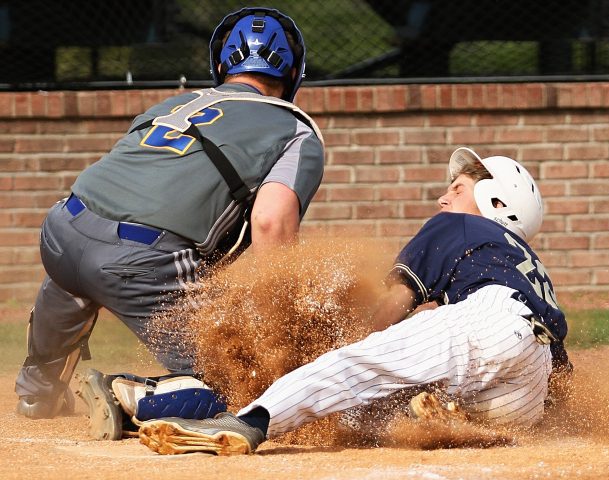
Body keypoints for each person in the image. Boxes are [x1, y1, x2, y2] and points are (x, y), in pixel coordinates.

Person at [14, 6, 325, 439]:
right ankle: (129, 396)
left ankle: (38, 390)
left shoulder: (177, 103)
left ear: (220, 65)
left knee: (77, 271)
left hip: (61, 230)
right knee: (244, 382)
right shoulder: (295, 129)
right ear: (294, 74)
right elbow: (271, 225)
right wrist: (277, 329)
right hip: (139, 263)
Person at [137, 147, 572, 455]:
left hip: (489, 320)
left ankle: (250, 422)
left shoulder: (456, 227)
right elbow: (561, 377)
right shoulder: (531, 267)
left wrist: (342, 349)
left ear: (494, 203)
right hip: (528, 386)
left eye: (457, 188)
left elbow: (393, 306)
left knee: (359, 370)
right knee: (376, 412)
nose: (444, 198)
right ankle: (449, 422)